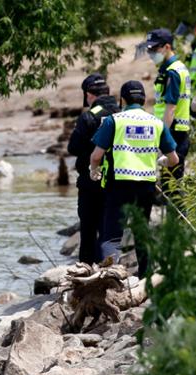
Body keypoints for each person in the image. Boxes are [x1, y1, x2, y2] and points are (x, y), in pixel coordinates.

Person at [89, 80, 179, 277]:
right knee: (142, 232)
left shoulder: (114, 121)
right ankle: (145, 277)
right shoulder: (157, 124)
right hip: (146, 186)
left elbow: (96, 155)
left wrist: (93, 170)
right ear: (144, 100)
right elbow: (174, 159)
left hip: (118, 184)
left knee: (112, 237)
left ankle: (108, 277)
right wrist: (161, 162)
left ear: (122, 100)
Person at [67, 73, 120, 265]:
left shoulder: (89, 116)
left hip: (91, 180)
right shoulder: (121, 112)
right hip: (116, 180)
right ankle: (109, 270)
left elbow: (72, 148)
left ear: (89, 95)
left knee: (89, 230)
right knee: (109, 230)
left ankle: (87, 270)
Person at [143, 28, 192, 205]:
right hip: (176, 134)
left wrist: (163, 141)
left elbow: (170, 110)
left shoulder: (172, 72)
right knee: (170, 188)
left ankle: (179, 229)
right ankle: (174, 230)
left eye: (154, 49)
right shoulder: (173, 68)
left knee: (172, 190)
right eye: (149, 49)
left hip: (174, 136)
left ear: (167, 47)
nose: (151, 53)